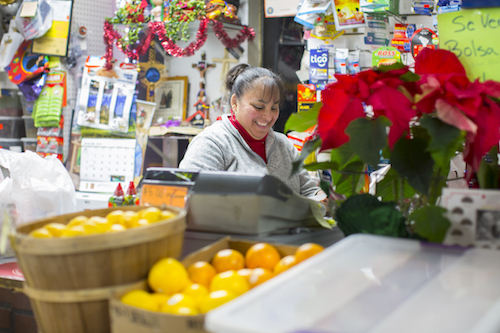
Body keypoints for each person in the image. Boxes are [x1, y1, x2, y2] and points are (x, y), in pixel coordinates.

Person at [179, 64, 327, 201]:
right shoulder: (211, 144)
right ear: (235, 103)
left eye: (274, 108)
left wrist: (321, 199)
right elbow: (189, 197)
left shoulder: (284, 146)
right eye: (258, 107)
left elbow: (309, 190)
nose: (268, 117)